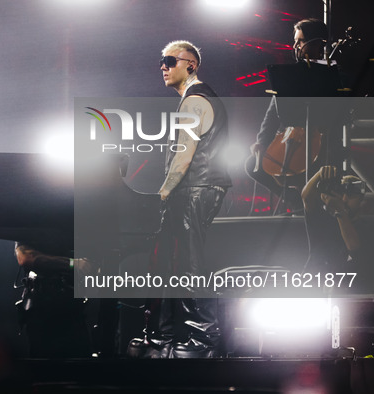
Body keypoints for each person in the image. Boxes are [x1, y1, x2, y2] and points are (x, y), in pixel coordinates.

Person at [128, 40, 231, 358]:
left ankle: (200, 338)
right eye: (161, 60)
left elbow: (184, 155)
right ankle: (170, 335)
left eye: (170, 60)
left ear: (191, 64)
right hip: (198, 189)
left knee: (187, 262)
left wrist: (165, 190)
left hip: (195, 188)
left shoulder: (196, 100)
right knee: (173, 262)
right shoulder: (195, 98)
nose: (163, 65)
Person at [244, 18, 339, 213]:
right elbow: (272, 114)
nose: (295, 45)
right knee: (253, 165)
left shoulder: (332, 73)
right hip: (288, 137)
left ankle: (317, 206)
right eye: (295, 40)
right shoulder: (289, 75)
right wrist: (261, 142)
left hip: (321, 140)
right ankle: (295, 200)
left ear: (316, 43)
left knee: (322, 166)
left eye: (300, 41)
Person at [14, 241, 93, 358]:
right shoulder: (31, 227)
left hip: (73, 308)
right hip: (42, 309)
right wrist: (73, 263)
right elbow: (25, 257)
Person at [301, 166, 373, 288]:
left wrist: (340, 211)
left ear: (361, 200)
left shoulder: (368, 228)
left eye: (351, 195)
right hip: (314, 283)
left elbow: (355, 249)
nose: (344, 199)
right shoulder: (323, 220)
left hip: (352, 288)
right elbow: (307, 198)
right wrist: (320, 174)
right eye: (342, 193)